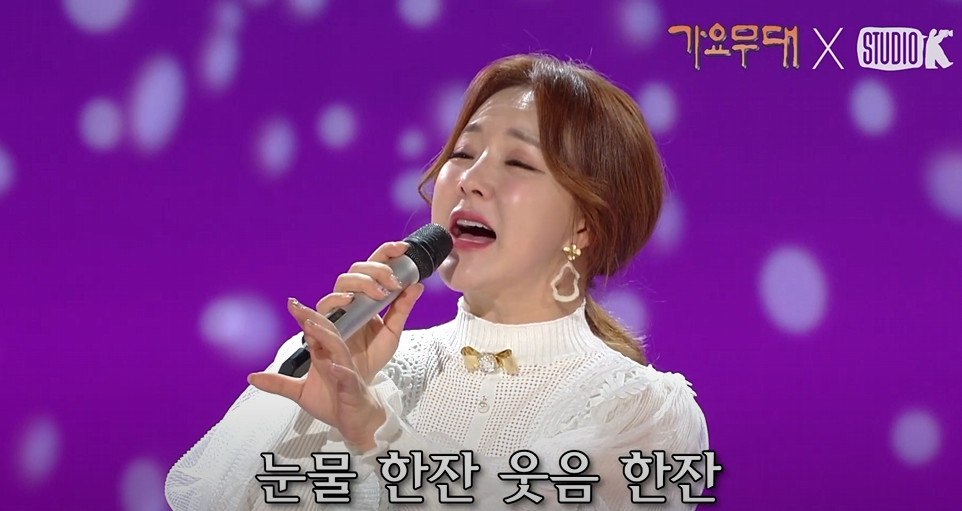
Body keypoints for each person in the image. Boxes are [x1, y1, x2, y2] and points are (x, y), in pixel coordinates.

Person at [164, 53, 711, 511]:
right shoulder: (356, 367)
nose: (469, 179)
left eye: (519, 162)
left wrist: (376, 434)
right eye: (463, 153)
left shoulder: (641, 412)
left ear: (585, 224)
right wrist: (317, 398)